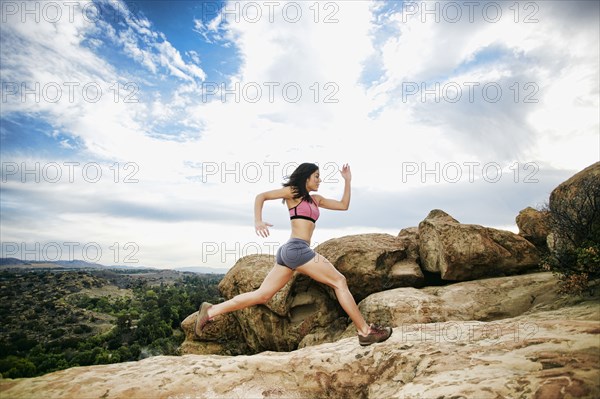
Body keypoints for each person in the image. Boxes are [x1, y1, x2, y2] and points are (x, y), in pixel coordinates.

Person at [195, 162, 392, 346]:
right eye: (316, 176)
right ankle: (365, 331)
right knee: (339, 281)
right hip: (297, 249)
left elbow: (343, 205)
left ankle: (212, 311)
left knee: (263, 295)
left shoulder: (316, 200)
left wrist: (347, 180)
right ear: (306, 177)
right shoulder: (294, 192)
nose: (319, 180)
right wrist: (258, 221)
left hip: (291, 251)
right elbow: (261, 196)